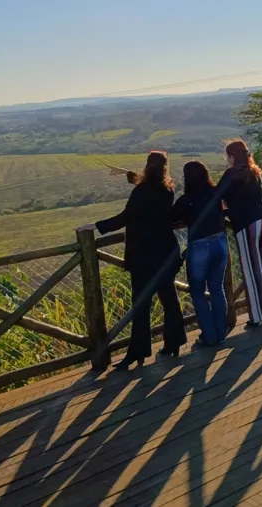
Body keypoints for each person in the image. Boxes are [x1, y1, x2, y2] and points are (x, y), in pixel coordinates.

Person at [93, 151, 186, 370]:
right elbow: (150, 188)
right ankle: (174, 343)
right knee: (169, 301)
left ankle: (138, 352)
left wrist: (96, 226)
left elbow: (125, 217)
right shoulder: (168, 190)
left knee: (141, 305)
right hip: (165, 254)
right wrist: (127, 173)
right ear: (165, 168)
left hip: (143, 256)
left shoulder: (141, 191)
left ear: (147, 167)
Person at [220, 139, 262, 327]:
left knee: (249, 269)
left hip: (246, 224)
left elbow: (216, 196)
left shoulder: (231, 174)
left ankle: (257, 316)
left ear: (231, 156)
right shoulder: (255, 172)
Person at [172, 160, 229, 347]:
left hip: (199, 247)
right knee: (217, 288)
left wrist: (187, 219)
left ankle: (209, 336)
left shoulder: (187, 198)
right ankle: (221, 333)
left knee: (197, 292)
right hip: (220, 241)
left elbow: (171, 218)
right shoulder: (215, 193)